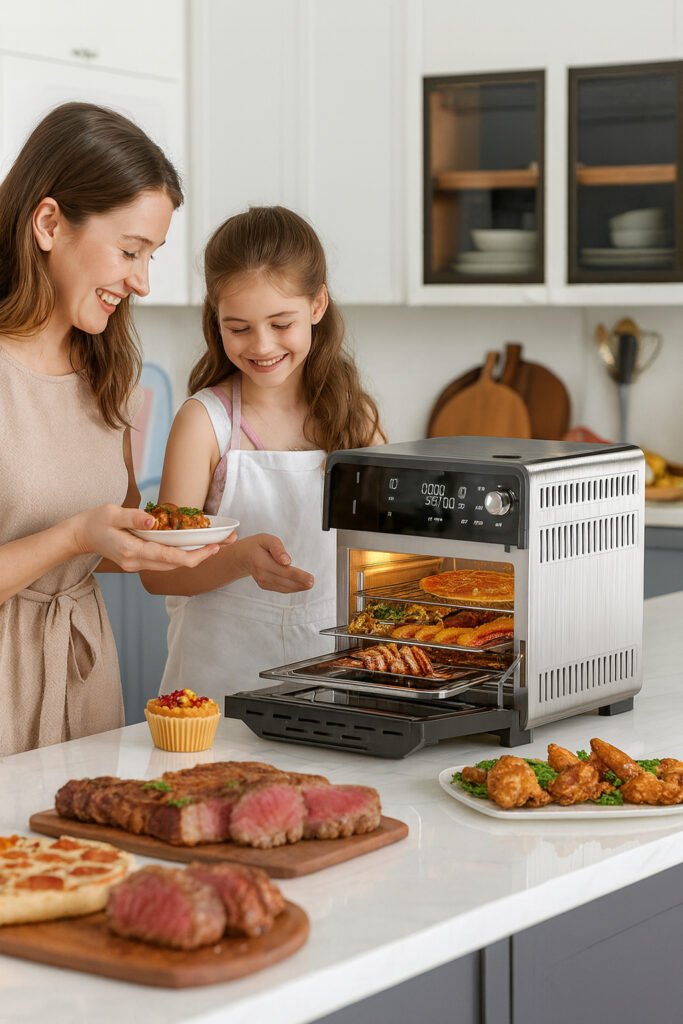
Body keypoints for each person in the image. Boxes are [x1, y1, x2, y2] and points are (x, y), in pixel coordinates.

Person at [0, 101, 228, 756]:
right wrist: (75, 534)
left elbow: (102, 538)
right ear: (49, 222)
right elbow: (75, 533)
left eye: (151, 256)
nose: (143, 281)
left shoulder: (106, 371)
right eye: (130, 251)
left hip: (84, 683)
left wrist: (169, 543)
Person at [144, 205, 385, 703]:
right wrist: (239, 559)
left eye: (281, 323)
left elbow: (391, 547)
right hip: (216, 689)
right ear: (216, 317)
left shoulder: (353, 418)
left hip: (332, 678)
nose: (262, 345)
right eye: (239, 328)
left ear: (317, 305)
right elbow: (157, 571)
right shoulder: (204, 423)